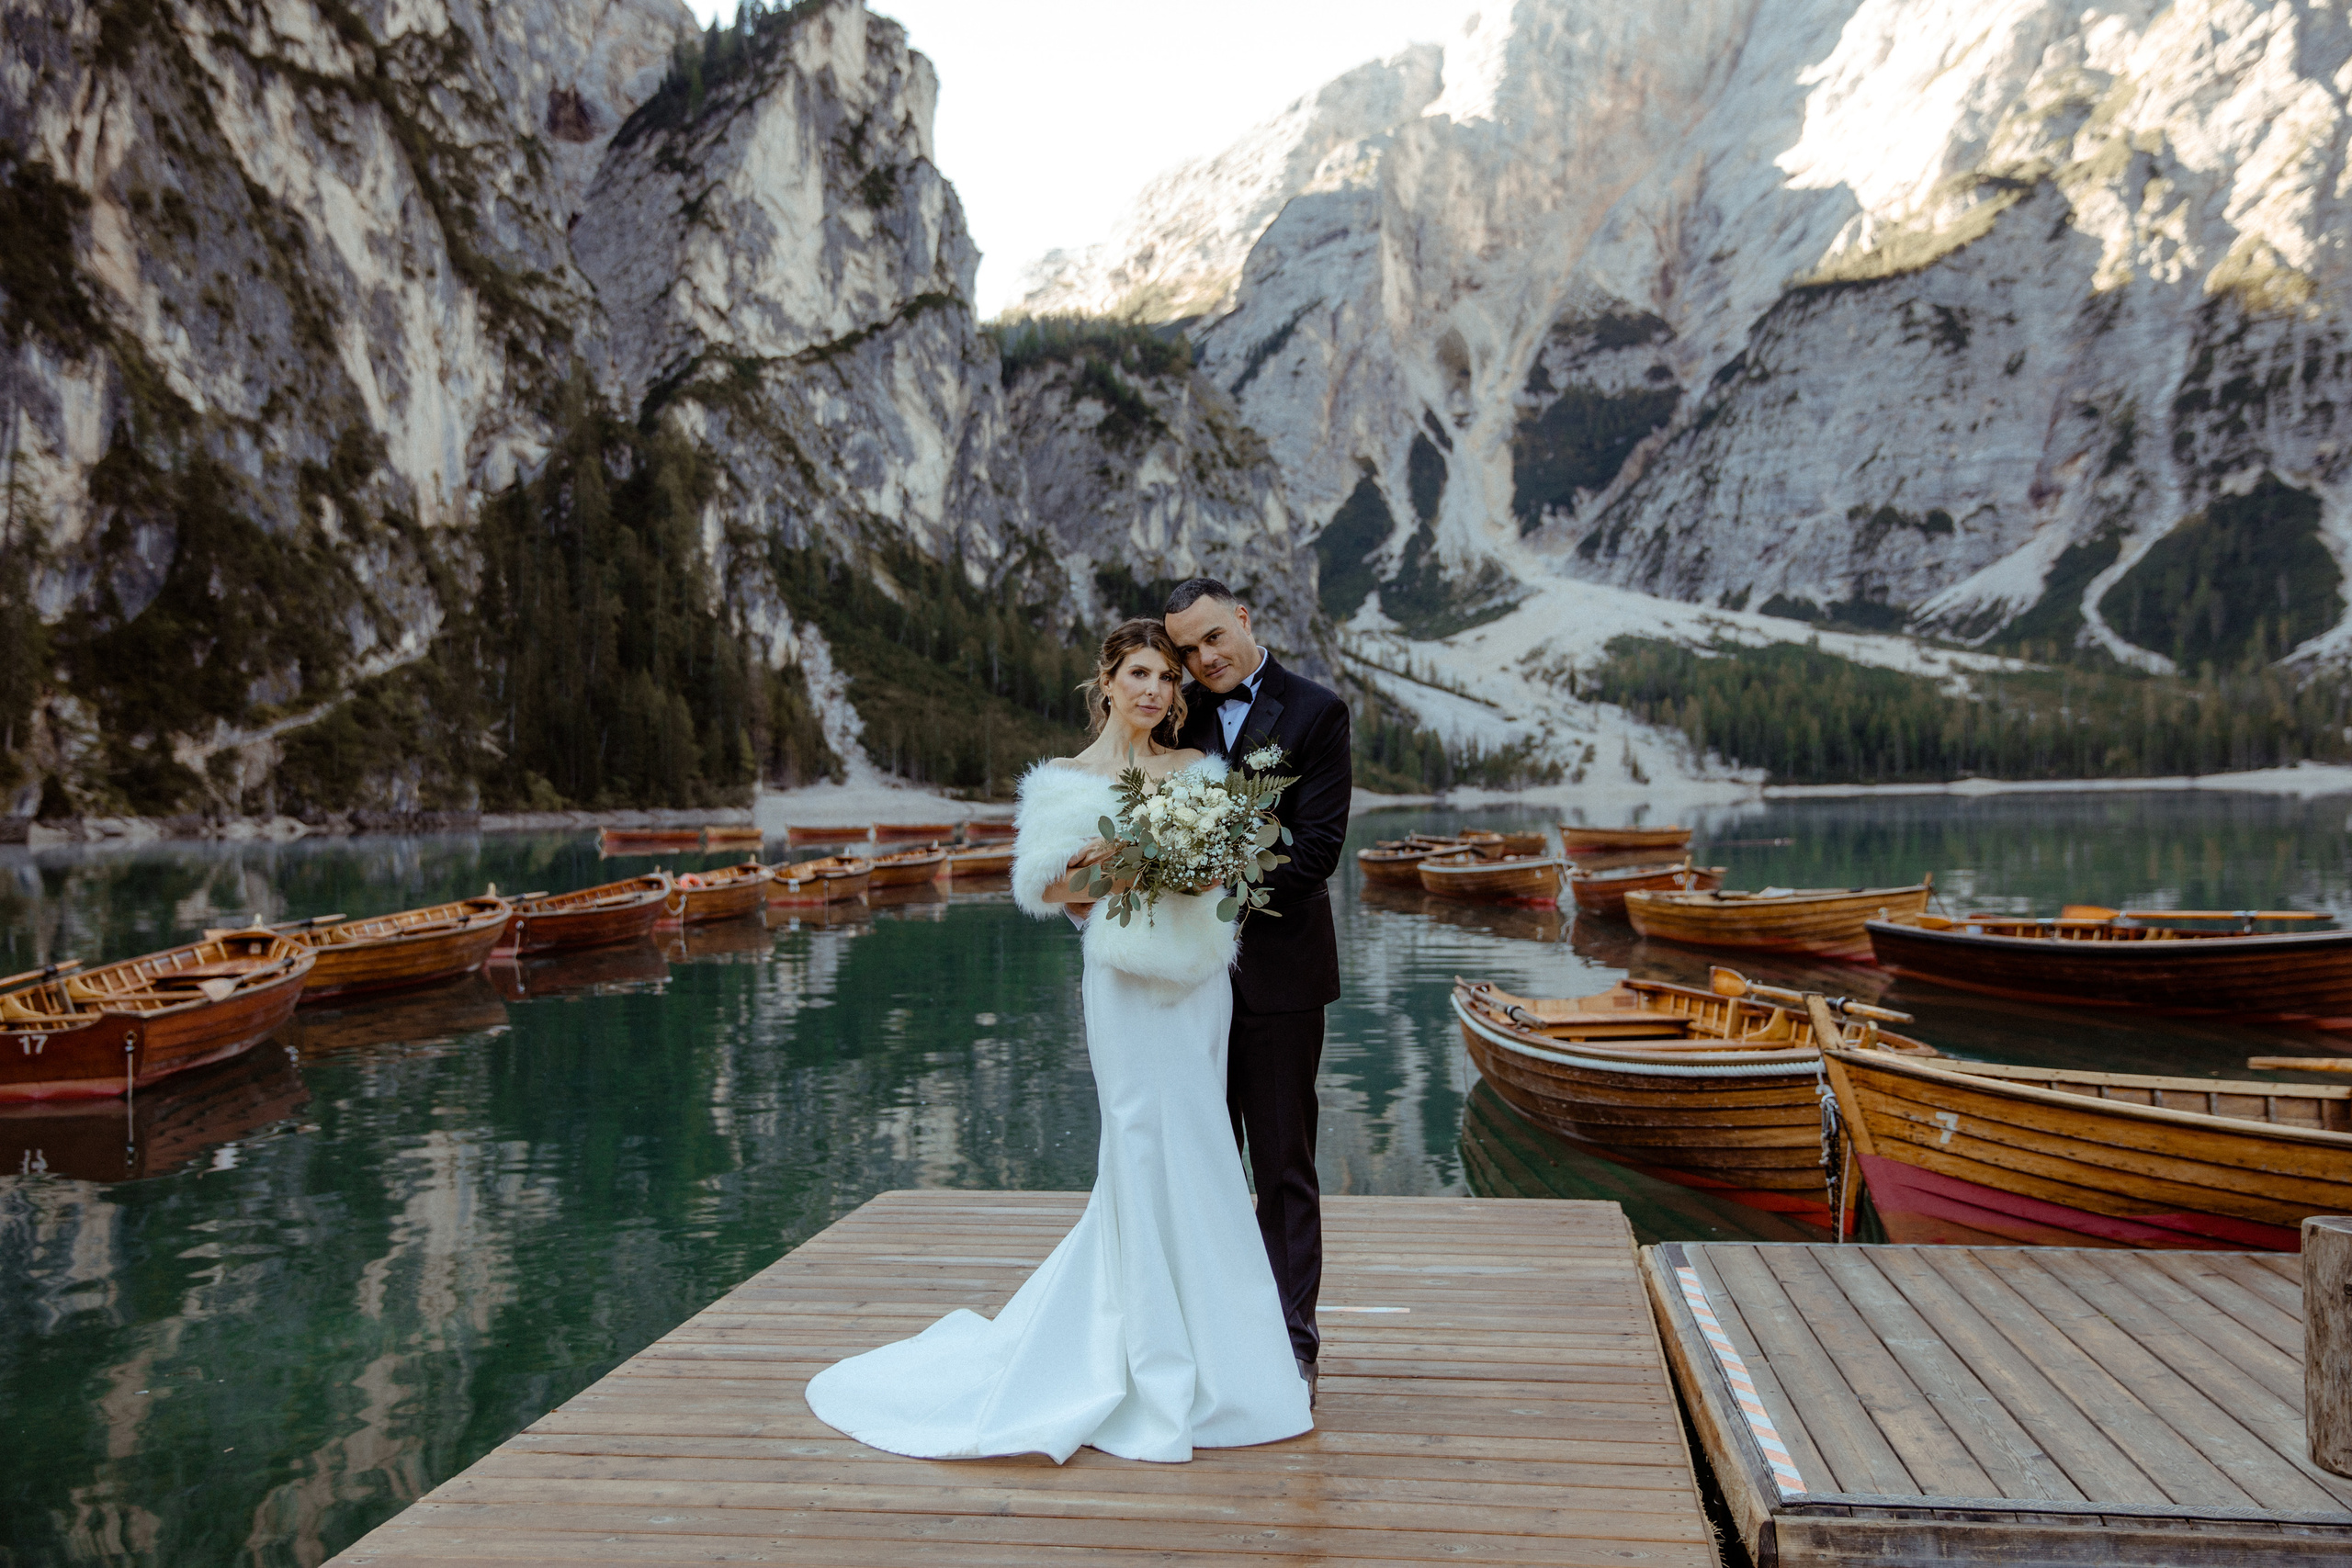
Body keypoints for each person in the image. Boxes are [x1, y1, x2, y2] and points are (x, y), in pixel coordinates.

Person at [803, 618, 1313, 1463]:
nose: (1155, 690)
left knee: (1207, 1151)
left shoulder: (1197, 771)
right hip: (1121, 988)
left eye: (1167, 679)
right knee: (1140, 1146)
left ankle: (1234, 1364)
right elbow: (1047, 886)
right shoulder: (1064, 781)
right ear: (1106, 681)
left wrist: (1185, 858)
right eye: (1139, 674)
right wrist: (1123, 857)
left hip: (1195, 989)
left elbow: (1226, 870)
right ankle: (1146, 1356)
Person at [1161, 579, 1351, 1405]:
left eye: (1212, 638)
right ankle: (1202, 1340)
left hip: (1279, 979)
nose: (1204, 658)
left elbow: (1315, 854)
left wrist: (1215, 875)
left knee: (1281, 1166)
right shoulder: (1177, 717)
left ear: (1243, 618)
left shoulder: (1316, 712)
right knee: (1199, 1161)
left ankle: (1292, 1348)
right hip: (1186, 982)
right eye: (1188, 651)